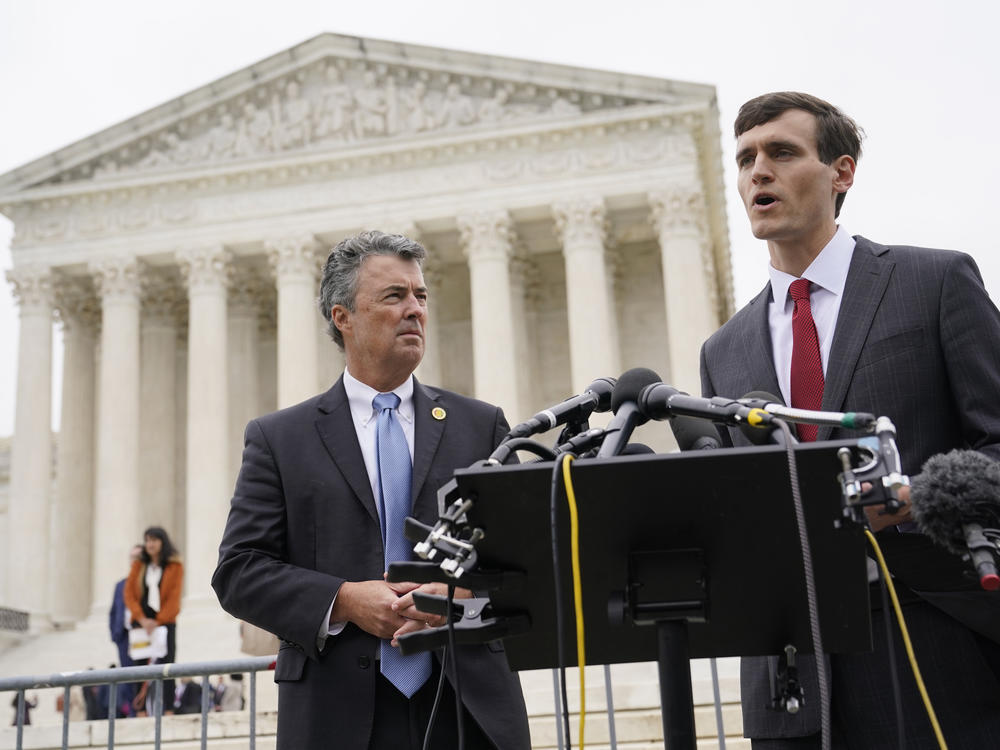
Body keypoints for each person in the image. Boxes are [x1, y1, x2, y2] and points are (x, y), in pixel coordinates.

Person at [700, 91, 1000, 748]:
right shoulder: (722, 351)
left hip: (939, 648)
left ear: (841, 172)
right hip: (791, 677)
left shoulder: (936, 281)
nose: (758, 172)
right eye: (745, 158)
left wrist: (919, 497)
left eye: (781, 152)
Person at [213, 231, 530, 750]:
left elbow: (524, 560)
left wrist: (460, 595)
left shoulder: (482, 428)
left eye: (420, 296)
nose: (415, 310)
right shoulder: (279, 440)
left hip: (469, 706)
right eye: (394, 296)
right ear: (343, 317)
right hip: (337, 714)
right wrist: (343, 600)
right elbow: (239, 571)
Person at [124, 526, 183, 714]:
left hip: (164, 624)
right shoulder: (138, 566)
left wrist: (157, 621)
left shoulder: (175, 567)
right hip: (141, 624)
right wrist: (142, 619)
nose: (150, 544)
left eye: (154, 540)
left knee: (167, 667)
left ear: (162, 542)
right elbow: (129, 594)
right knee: (139, 668)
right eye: (147, 540)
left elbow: (174, 598)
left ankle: (168, 710)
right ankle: (141, 712)